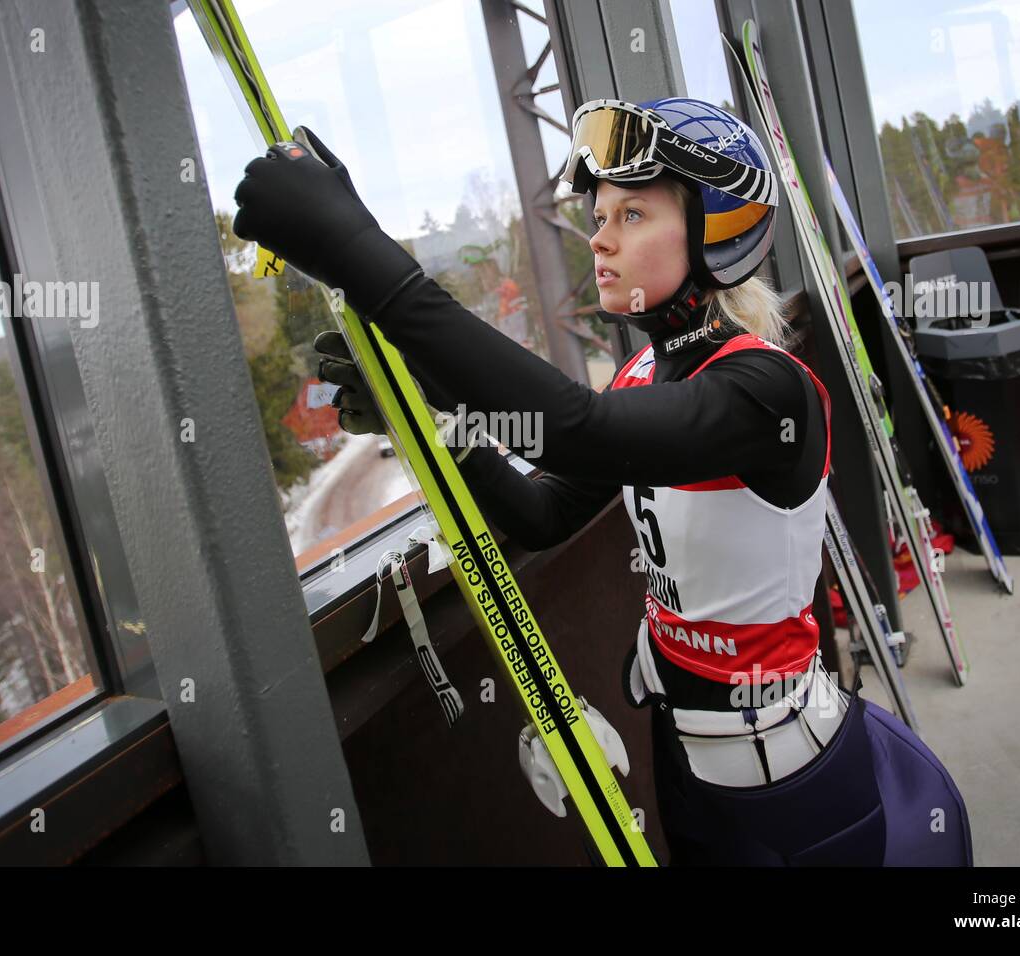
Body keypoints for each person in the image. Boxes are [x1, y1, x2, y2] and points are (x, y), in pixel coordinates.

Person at [232, 97, 972, 866]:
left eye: (633, 214)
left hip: (796, 779)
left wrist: (357, 250)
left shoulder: (766, 390)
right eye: (599, 214)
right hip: (687, 766)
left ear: (716, 231)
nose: (599, 237)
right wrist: (426, 418)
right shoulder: (644, 375)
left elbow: (573, 428)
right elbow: (545, 511)